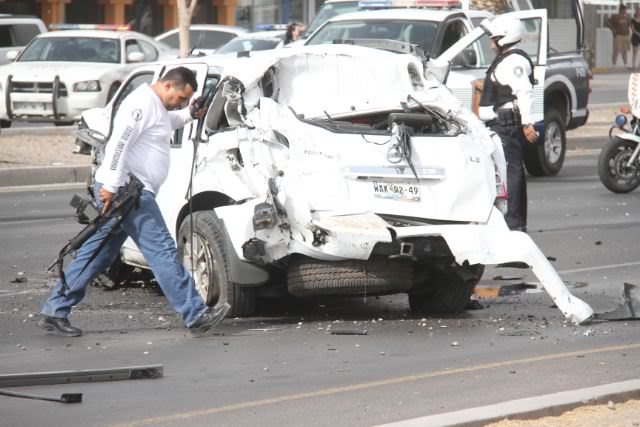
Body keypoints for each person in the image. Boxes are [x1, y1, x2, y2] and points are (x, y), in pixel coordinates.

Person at [37, 67, 230, 338]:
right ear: (167, 86)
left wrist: (188, 114)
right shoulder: (140, 104)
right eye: (181, 98)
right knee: (162, 250)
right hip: (129, 191)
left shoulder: (157, 107)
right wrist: (111, 186)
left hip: (127, 190)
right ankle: (196, 314)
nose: (182, 103)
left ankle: (54, 310)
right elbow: (119, 145)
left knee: (97, 253)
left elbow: (165, 123)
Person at [478, 15, 537, 232]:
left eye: (493, 38)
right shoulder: (506, 59)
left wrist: (528, 123)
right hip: (500, 125)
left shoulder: (513, 61)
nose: (490, 42)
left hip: (505, 125)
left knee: (510, 172)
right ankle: (513, 222)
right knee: (509, 172)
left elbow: (524, 92)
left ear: (504, 38)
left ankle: (513, 223)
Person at [608, 4, 631, 69]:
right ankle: (613, 64)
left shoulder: (627, 17)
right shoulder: (615, 16)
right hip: (618, 35)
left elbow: (629, 25)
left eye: (625, 9)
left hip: (626, 35)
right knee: (616, 50)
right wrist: (612, 30)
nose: (625, 11)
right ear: (620, 10)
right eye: (624, 9)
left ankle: (625, 64)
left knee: (624, 50)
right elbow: (608, 22)